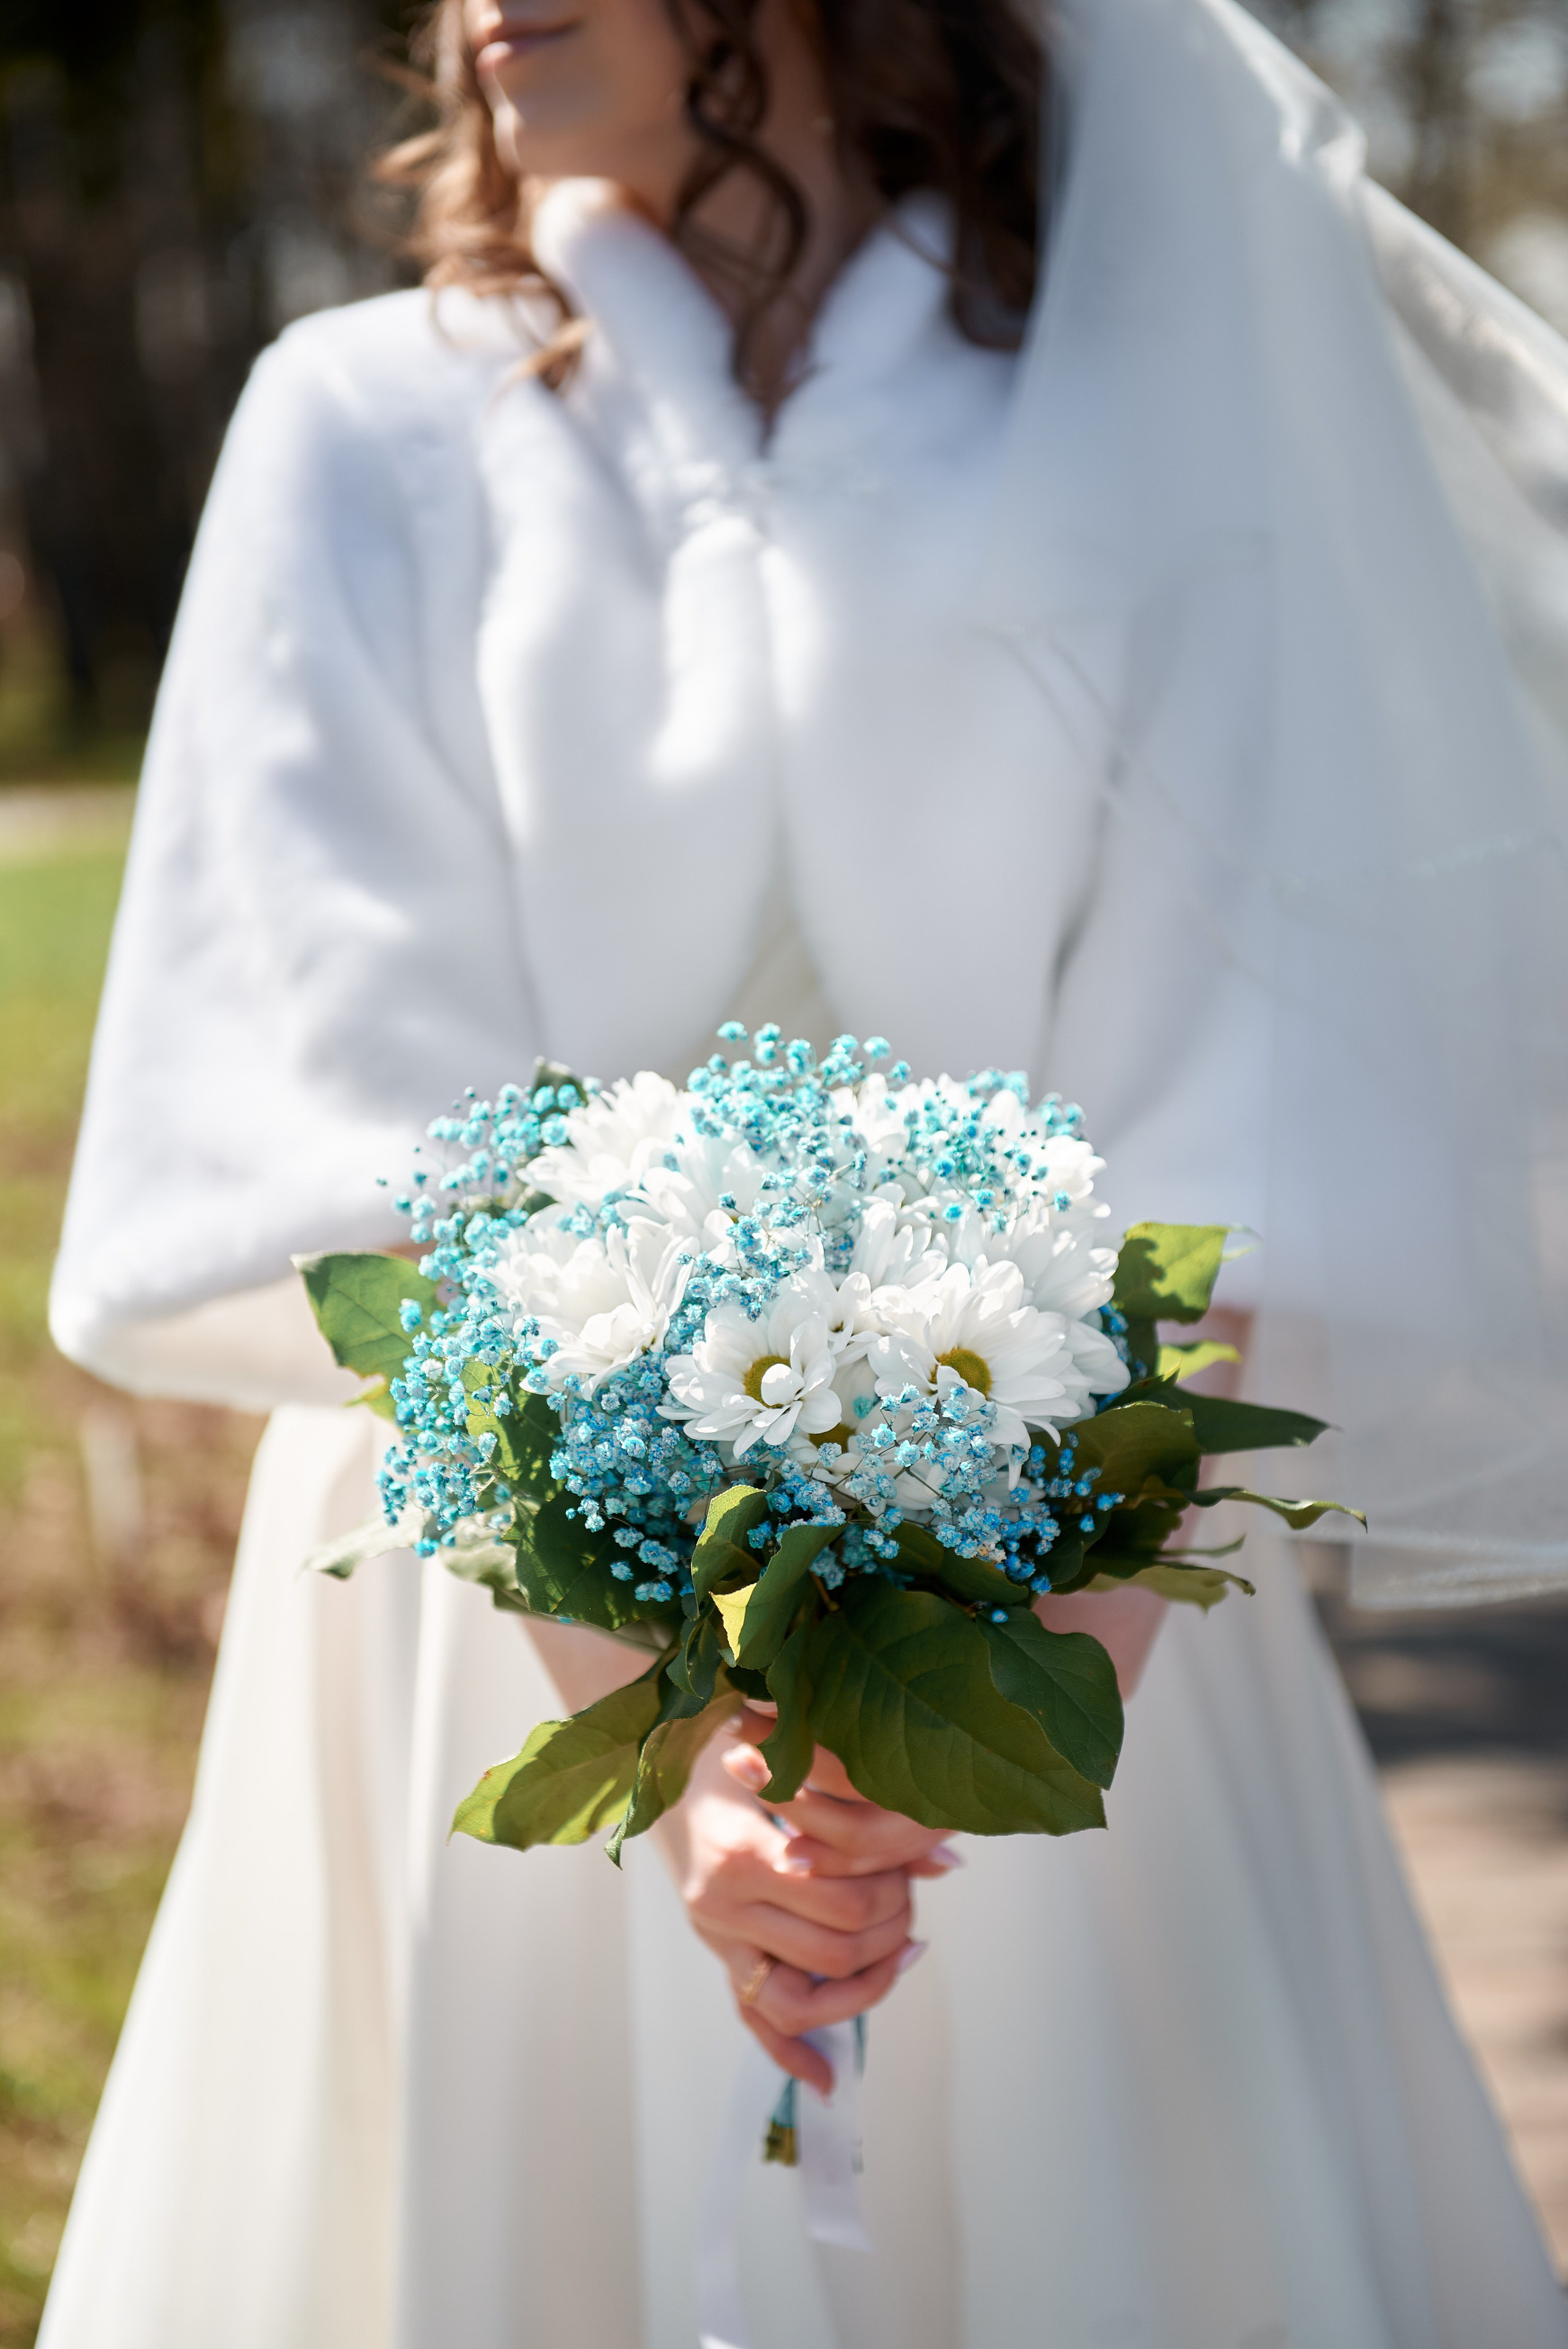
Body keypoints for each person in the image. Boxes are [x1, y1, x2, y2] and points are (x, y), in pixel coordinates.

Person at [39, 0, 1568, 2342]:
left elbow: (1237, 1129)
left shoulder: (1158, 430)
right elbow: (352, 1142)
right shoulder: (363, 423)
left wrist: (977, 1740)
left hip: (1073, 1612)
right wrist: (677, 1772)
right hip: (495, 1625)